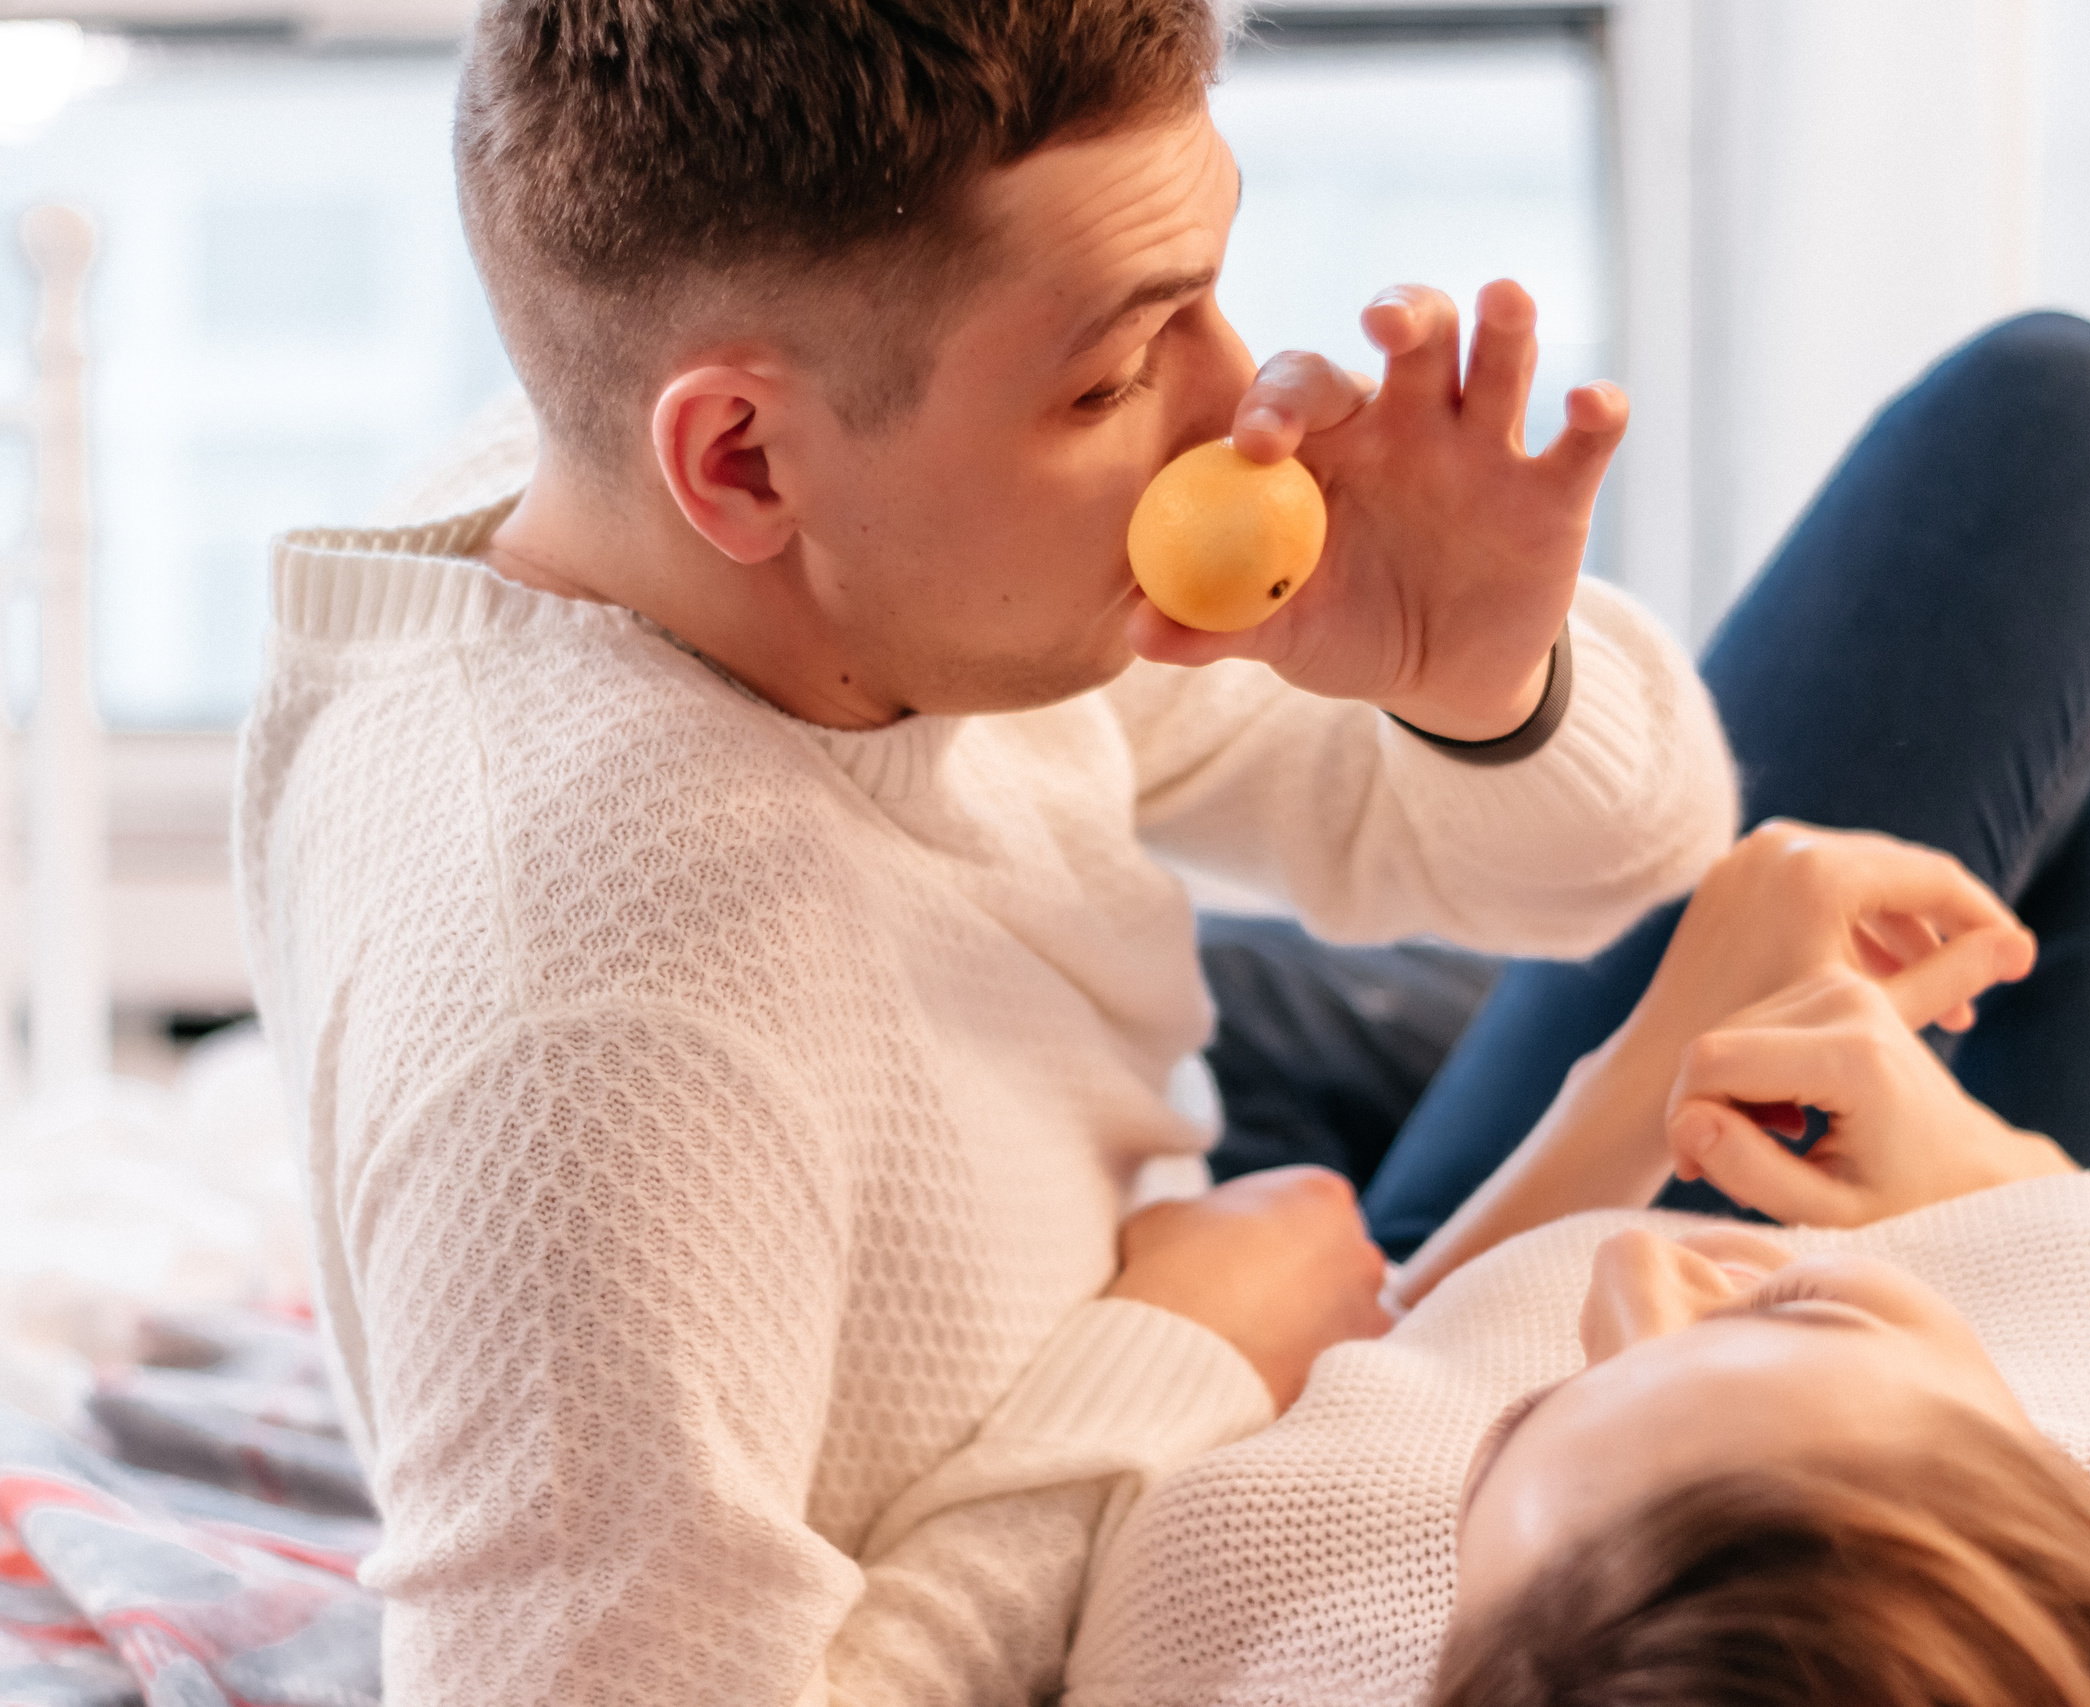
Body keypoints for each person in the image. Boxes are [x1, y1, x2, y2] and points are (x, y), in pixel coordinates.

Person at [232, 3, 1738, 1702]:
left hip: (1177, 1163)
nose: (1242, 409)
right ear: (739, 459)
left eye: (1212, 294)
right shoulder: (596, 1039)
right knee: (2043, 457)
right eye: (1109, 374)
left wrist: (1470, 680)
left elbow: (1621, 860)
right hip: (1196, 1321)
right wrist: (1177, 1365)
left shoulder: (774, 553)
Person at [1058, 321, 2090, 1704]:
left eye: (1513, 1430)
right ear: (2083, 1578)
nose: (1630, 1278)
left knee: (1208, 998)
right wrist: (2009, 1190)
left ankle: (1435, 1032)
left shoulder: (1249, 1619)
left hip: (1426, 1274)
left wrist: (1640, 1072)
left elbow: (1374, 1365)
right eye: (1800, 1298)